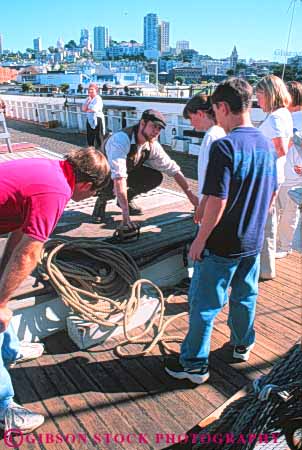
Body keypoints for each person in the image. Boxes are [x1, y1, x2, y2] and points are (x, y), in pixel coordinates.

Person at [164, 78, 277, 385]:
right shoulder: (266, 143)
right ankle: (241, 345)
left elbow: (216, 201)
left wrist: (199, 241)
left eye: (215, 110)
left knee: (204, 305)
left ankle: (194, 365)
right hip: (251, 242)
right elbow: (272, 192)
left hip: (222, 244)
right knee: (245, 296)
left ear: (223, 107)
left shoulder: (225, 146)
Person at [0, 147, 110, 433]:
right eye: (93, 194)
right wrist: (0, 303)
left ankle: (9, 351)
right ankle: (3, 409)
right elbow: (28, 256)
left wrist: (1, 286)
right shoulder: (58, 191)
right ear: (86, 185)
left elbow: (20, 234)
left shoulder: (50, 168)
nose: (88, 198)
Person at [92, 109, 199, 225]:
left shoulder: (151, 145)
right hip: (104, 175)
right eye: (154, 126)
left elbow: (174, 170)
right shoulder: (120, 140)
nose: (156, 131)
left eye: (159, 129)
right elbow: (118, 177)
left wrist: (192, 196)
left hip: (126, 172)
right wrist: (126, 217)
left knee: (155, 177)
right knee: (112, 181)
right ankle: (101, 201)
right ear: (142, 123)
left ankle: (125, 199)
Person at [255, 75, 293, 279]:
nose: (258, 100)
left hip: (267, 177)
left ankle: (265, 270)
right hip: (274, 175)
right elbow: (288, 144)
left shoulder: (276, 117)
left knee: (266, 222)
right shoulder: (283, 114)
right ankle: (265, 267)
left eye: (259, 95)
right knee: (268, 221)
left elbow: (280, 148)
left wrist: (256, 161)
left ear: (269, 94)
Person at [183, 94, 226, 222]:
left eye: (191, 118)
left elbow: (212, 178)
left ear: (200, 114)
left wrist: (202, 207)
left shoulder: (211, 137)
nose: (191, 123)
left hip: (210, 206)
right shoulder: (221, 132)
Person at [276, 81, 302, 257]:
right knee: (275, 213)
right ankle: (275, 244)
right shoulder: (281, 116)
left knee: (289, 214)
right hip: (277, 172)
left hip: (293, 176)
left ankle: (285, 246)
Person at [82, 83, 105, 149]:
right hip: (89, 118)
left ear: (96, 90)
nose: (90, 91)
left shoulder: (98, 98)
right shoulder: (87, 99)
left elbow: (94, 109)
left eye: (92, 89)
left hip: (97, 118)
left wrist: (87, 109)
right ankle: (91, 151)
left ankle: (101, 152)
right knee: (90, 137)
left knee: (99, 137)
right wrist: (88, 103)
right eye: (89, 90)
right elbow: (83, 109)